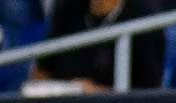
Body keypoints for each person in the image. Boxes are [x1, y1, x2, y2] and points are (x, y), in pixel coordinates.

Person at [31, 0, 164, 92]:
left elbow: (148, 95)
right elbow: (42, 71)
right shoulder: (69, 9)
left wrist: (93, 93)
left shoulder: (144, 20)